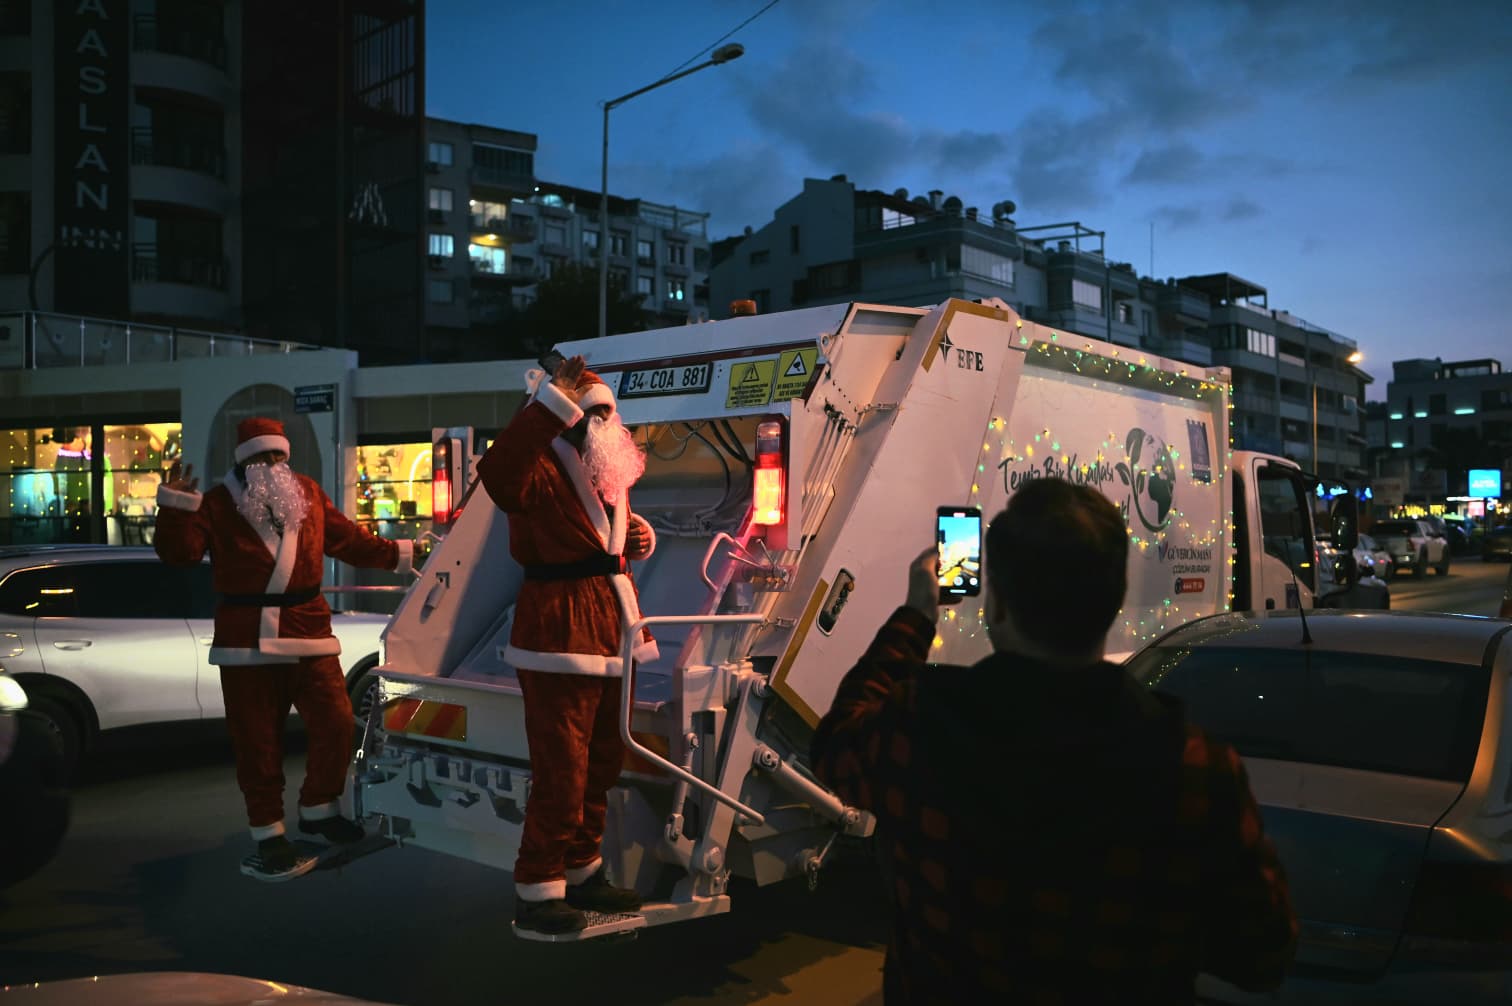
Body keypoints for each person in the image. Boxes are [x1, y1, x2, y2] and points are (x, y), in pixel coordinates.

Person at [811, 478, 1297, 1004]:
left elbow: (835, 745)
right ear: (1112, 604)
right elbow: (1263, 955)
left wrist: (917, 614)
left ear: (998, 607)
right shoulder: (1196, 767)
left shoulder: (922, 725)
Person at [155, 417, 412, 881]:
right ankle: (268, 832)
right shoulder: (215, 504)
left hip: (309, 630)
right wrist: (175, 509)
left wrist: (400, 555)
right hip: (246, 641)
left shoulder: (307, 492)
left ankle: (319, 807)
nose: (272, 463)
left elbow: (347, 539)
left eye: (278, 455)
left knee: (337, 722)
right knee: (257, 741)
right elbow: (180, 555)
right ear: (244, 461)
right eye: (261, 456)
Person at [476, 353, 658, 935]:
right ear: (566, 419)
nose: (599, 425)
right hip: (558, 632)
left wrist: (635, 537)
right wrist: (549, 402)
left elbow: (600, 538)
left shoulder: (604, 472)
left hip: (611, 628)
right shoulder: (535, 468)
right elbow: (499, 473)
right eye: (588, 415)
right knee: (562, 770)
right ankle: (537, 888)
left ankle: (583, 869)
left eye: (605, 415)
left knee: (602, 763)